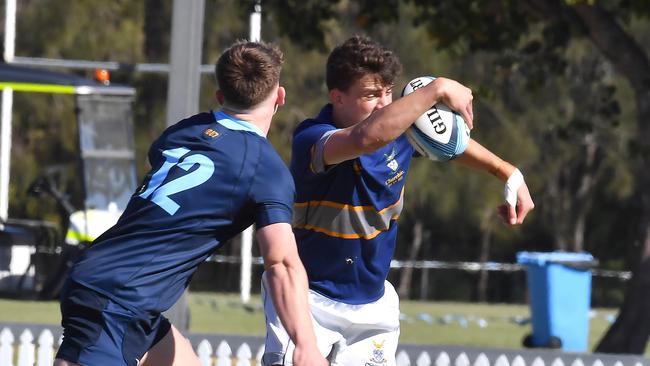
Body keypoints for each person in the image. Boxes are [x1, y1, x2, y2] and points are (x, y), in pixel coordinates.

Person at [262, 35, 535, 365]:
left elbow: (451, 144)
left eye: (388, 92)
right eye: (370, 95)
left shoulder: (400, 133)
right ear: (338, 98)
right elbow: (366, 138)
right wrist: (436, 89)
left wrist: (509, 173)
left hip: (373, 307)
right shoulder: (313, 137)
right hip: (308, 300)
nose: (382, 103)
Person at [54, 41, 327, 366]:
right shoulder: (265, 169)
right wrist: (307, 344)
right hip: (119, 300)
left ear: (220, 96)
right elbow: (281, 262)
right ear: (280, 96)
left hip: (111, 284)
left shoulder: (183, 131)